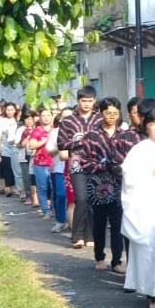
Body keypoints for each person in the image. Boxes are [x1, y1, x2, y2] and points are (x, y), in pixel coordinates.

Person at [121, 109, 155, 308]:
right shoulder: (139, 150)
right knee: (153, 249)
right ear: (146, 127)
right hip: (148, 207)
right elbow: (129, 179)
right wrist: (153, 171)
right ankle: (154, 292)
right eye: (153, 123)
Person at [73, 97, 129, 273]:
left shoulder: (123, 135)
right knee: (99, 221)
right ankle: (99, 256)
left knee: (118, 221)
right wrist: (105, 166)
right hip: (98, 184)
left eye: (114, 113)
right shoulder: (92, 136)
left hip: (119, 183)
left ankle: (117, 260)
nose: (111, 116)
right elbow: (85, 161)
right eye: (107, 113)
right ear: (101, 113)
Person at [58, 85, 101, 249]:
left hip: (97, 164)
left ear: (94, 101)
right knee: (81, 198)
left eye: (90, 101)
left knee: (93, 200)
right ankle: (77, 234)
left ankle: (90, 234)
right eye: (84, 101)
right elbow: (61, 143)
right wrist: (78, 141)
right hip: (76, 165)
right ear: (78, 101)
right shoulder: (68, 121)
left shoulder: (99, 119)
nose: (87, 104)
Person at [25, 109, 55, 219]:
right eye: (43, 115)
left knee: (54, 188)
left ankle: (54, 208)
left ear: (52, 116)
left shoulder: (56, 130)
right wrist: (44, 140)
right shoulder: (36, 130)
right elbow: (32, 146)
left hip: (54, 163)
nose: (46, 117)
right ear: (40, 118)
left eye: (48, 115)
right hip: (40, 163)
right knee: (42, 188)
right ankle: (46, 211)